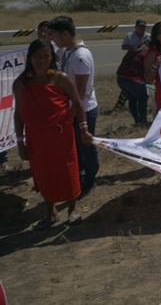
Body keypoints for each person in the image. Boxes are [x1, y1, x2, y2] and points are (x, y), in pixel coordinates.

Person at [13, 39, 93, 229]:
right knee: (43, 173)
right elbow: (18, 114)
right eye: (37, 56)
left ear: (51, 57)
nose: (42, 60)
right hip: (36, 138)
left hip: (61, 136)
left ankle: (72, 208)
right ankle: (50, 211)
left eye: (46, 56)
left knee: (68, 170)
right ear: (30, 58)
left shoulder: (60, 78)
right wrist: (20, 142)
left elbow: (77, 103)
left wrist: (83, 129)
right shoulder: (21, 83)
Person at [48, 16, 99, 198]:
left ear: (65, 34)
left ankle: (90, 179)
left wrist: (70, 115)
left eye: (54, 35)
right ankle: (81, 174)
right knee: (77, 145)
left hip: (83, 109)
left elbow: (80, 92)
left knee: (86, 145)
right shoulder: (68, 51)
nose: (53, 39)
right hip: (73, 108)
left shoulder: (80, 57)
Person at [116, 42, 149, 126]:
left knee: (132, 98)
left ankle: (137, 120)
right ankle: (143, 121)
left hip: (120, 78)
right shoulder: (146, 53)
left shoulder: (134, 50)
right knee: (143, 98)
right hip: (132, 80)